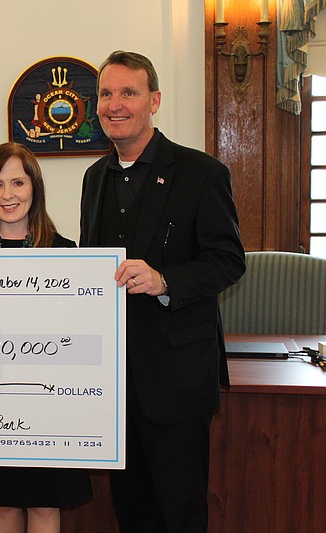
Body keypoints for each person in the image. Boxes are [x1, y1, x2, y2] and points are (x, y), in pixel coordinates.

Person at [78, 50, 245, 532]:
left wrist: (165, 279)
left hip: (177, 382)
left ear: (153, 100)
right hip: (116, 385)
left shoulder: (202, 172)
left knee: (179, 513)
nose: (115, 104)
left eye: (128, 92)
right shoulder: (94, 178)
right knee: (130, 512)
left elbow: (228, 260)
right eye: (106, 94)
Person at [0, 142, 91, 533]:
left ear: (35, 188)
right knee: (3, 504)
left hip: (47, 402)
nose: (8, 195)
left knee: (45, 506)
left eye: (17, 183)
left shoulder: (65, 252)